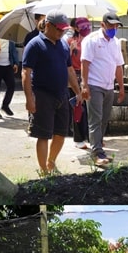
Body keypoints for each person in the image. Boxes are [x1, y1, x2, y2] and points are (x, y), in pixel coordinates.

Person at [22, 10, 80, 176]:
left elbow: (69, 70)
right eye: (59, 29)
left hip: (62, 95)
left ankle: (51, 162)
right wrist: (29, 99)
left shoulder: (63, 45)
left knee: (61, 133)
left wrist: (77, 91)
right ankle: (43, 170)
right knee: (43, 134)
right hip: (42, 95)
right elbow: (26, 73)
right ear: (48, 25)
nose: (62, 32)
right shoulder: (35, 45)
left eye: (64, 30)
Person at [81, 13, 126, 167]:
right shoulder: (91, 40)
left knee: (105, 119)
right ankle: (97, 153)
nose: (114, 28)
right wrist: (84, 85)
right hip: (94, 85)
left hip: (109, 86)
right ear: (102, 24)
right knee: (96, 119)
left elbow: (119, 66)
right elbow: (85, 63)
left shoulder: (115, 43)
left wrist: (121, 87)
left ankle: (99, 147)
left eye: (116, 26)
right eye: (111, 25)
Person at [67, 17, 91, 149]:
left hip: (88, 75)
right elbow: (65, 61)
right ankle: (78, 138)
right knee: (78, 107)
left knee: (89, 108)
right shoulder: (70, 41)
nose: (86, 28)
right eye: (83, 26)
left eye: (88, 25)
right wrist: (70, 50)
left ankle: (90, 136)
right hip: (74, 76)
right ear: (76, 28)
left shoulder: (90, 41)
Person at [0, 16, 19, 118]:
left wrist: (16, 63)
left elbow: (13, 50)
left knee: (12, 86)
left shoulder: (10, 35)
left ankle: (5, 105)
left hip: (8, 65)